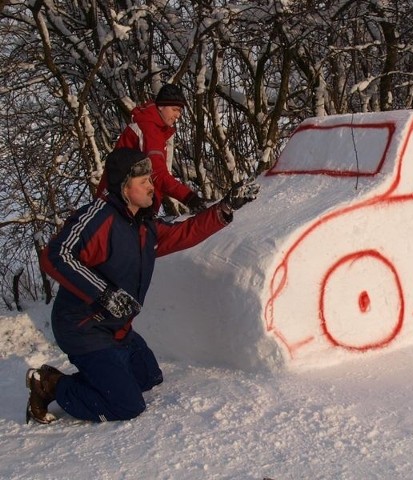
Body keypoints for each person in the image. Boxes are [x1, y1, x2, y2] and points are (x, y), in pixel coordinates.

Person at [28, 147, 259, 424]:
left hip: (117, 327)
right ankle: (52, 385)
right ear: (124, 187)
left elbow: (183, 233)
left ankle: (106, 375)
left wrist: (225, 207)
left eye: (151, 179)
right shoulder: (98, 218)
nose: (152, 186)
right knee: (127, 406)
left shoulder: (143, 225)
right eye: (144, 181)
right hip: (82, 328)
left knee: (149, 377)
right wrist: (104, 294)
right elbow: (56, 255)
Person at [96, 83, 208, 213]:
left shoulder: (154, 128)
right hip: (118, 205)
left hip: (123, 203)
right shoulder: (150, 129)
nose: (178, 115)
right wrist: (189, 197)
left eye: (180, 111)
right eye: (175, 109)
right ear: (161, 107)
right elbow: (157, 174)